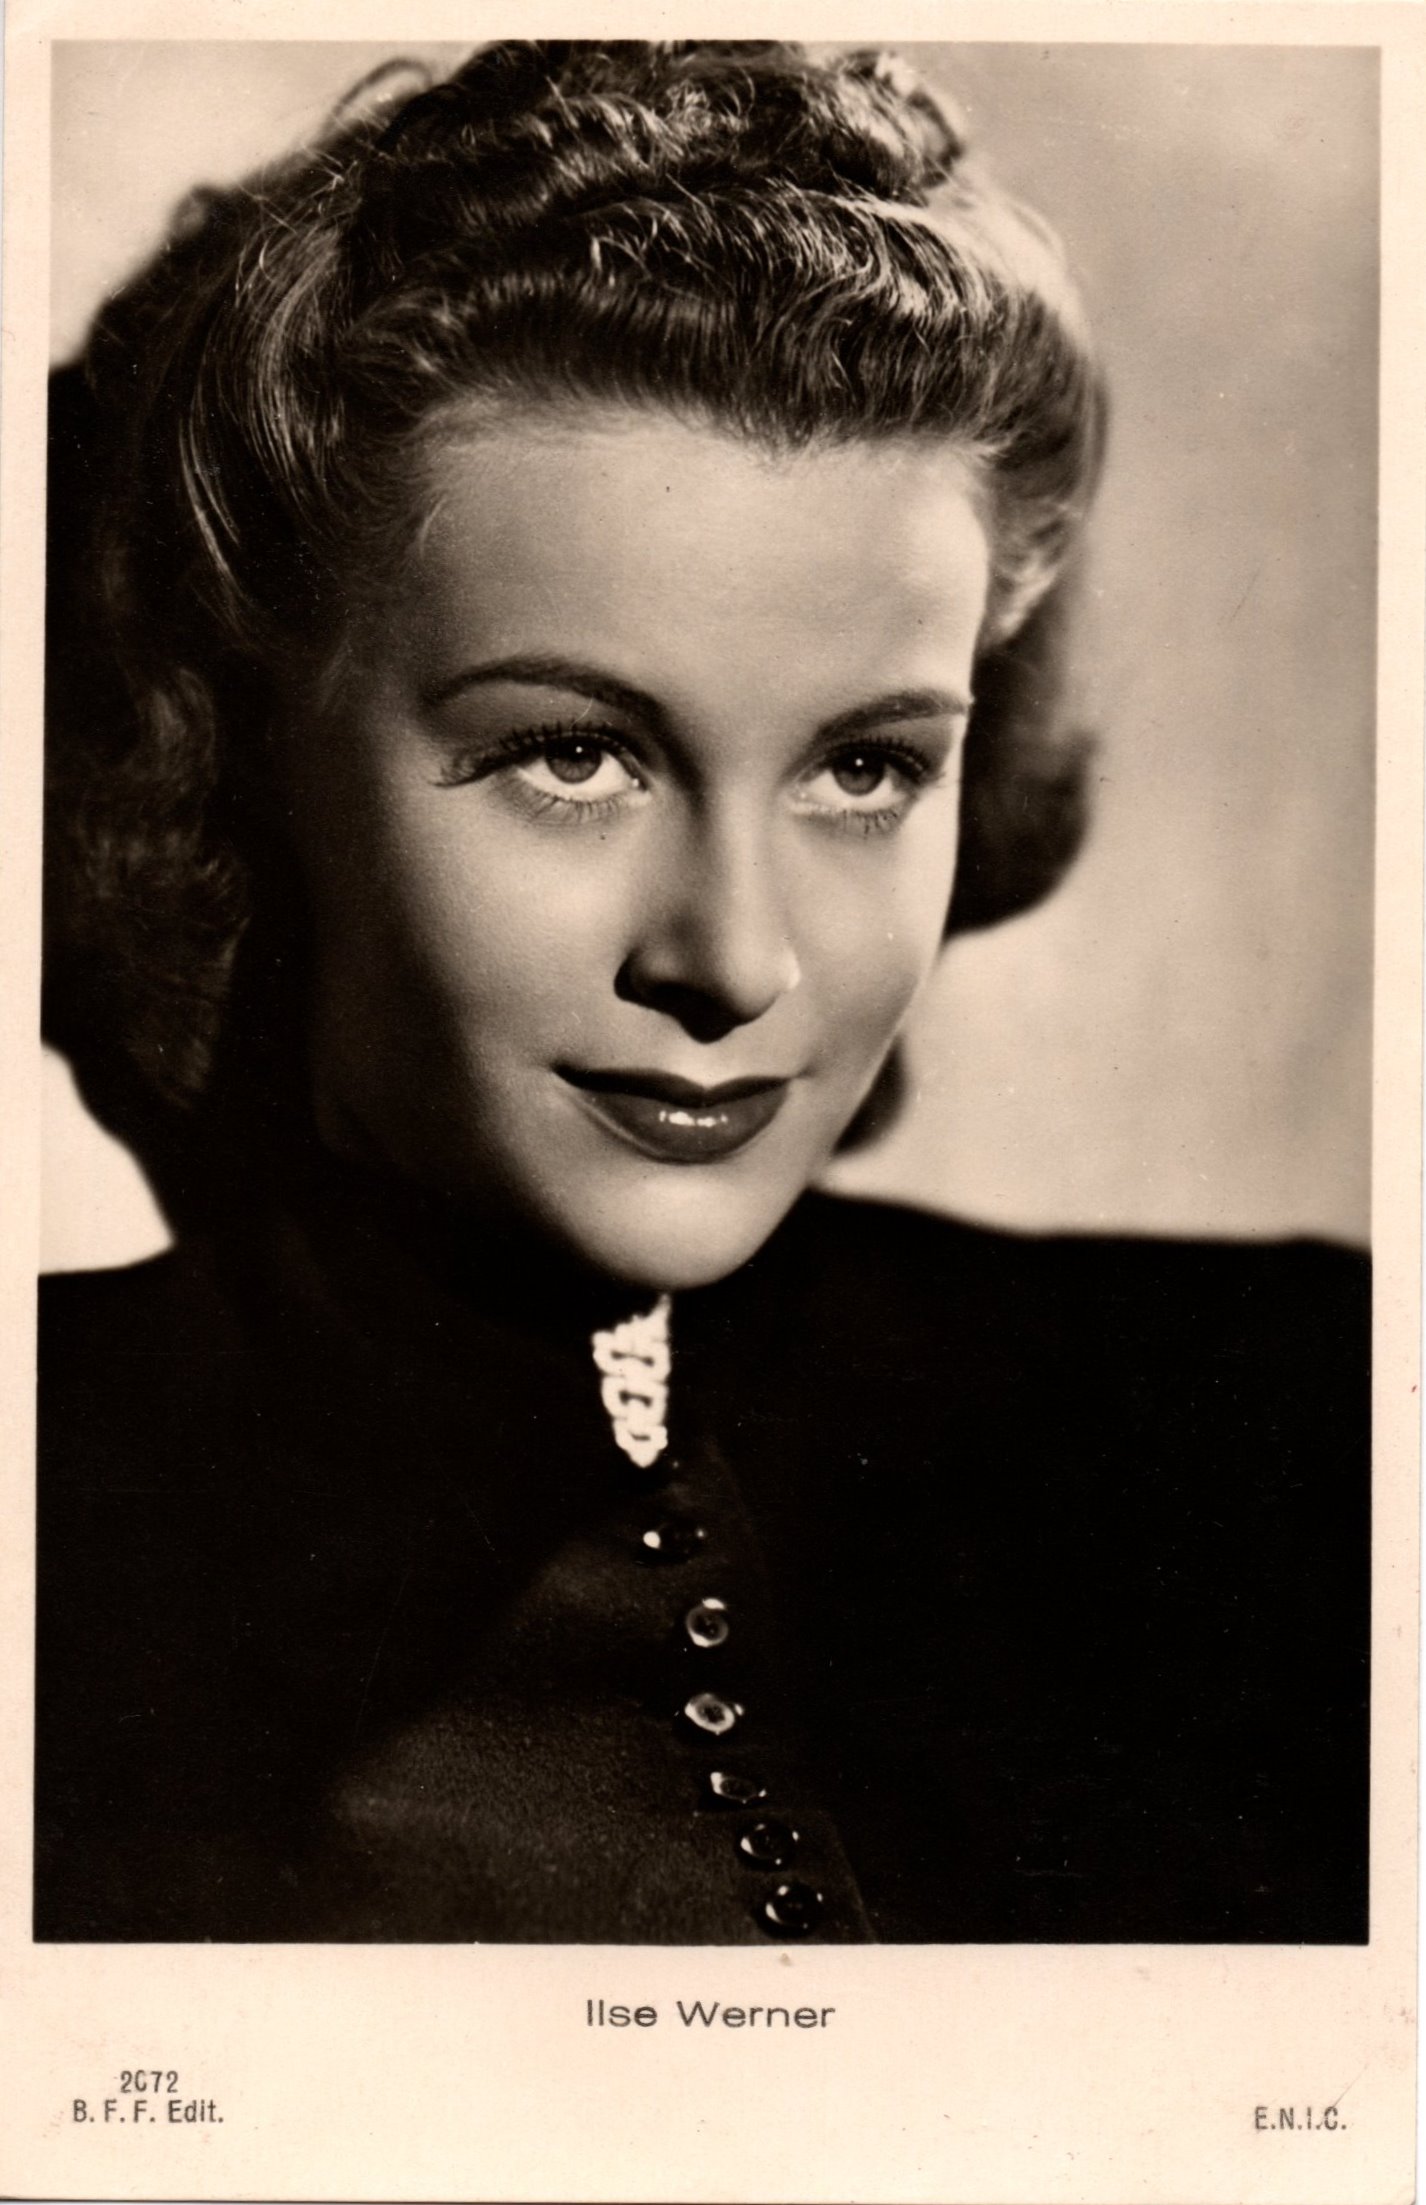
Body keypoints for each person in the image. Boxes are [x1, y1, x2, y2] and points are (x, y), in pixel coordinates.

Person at [36, 39, 1368, 1944]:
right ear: (240, 761)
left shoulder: (1296, 1426)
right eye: (573, 754)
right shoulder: (56, 1547)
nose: (738, 958)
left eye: (866, 766)